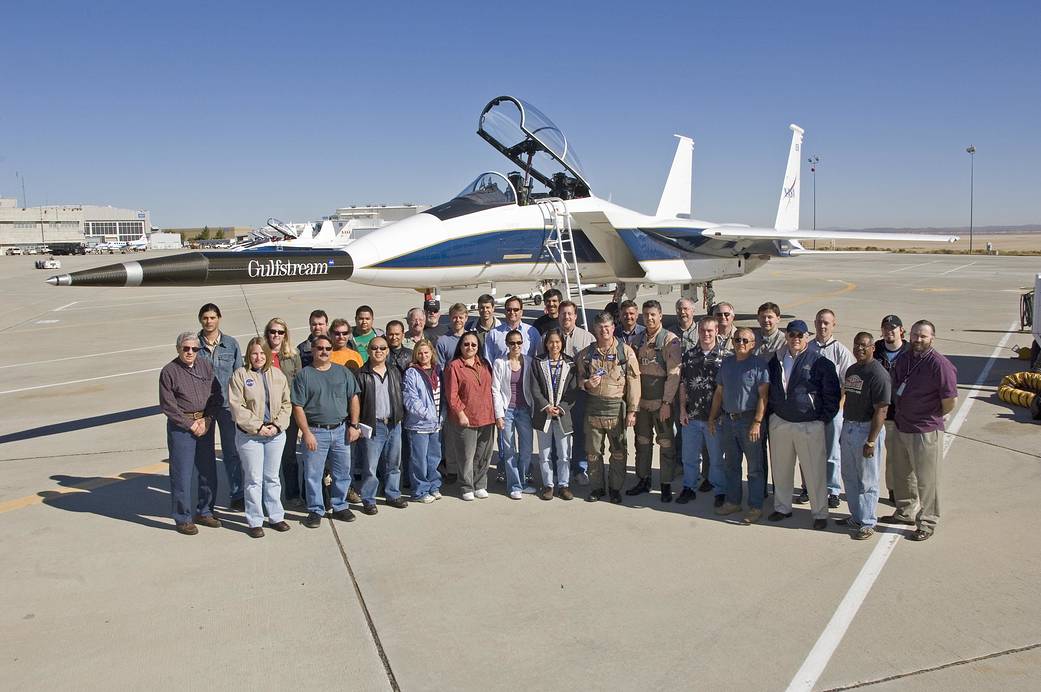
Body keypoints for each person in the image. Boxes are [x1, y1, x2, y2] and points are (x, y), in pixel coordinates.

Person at [881, 320, 958, 541]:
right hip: (902, 425)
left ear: (932, 338)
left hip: (925, 429)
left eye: (923, 336)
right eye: (915, 335)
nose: (918, 340)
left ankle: (927, 521)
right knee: (902, 474)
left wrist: (932, 416)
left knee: (927, 478)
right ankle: (905, 511)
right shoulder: (905, 359)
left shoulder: (939, 364)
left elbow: (950, 400)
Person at [766, 320, 841, 530]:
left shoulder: (820, 362)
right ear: (786, 336)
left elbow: (832, 395)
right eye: (792, 335)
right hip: (781, 422)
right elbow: (769, 389)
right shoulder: (777, 359)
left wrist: (821, 419)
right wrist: (772, 414)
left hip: (809, 425)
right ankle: (782, 508)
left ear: (807, 337)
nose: (795, 339)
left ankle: (819, 513)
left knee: (814, 472)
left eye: (800, 335)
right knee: (781, 469)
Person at [291, 334, 362, 528]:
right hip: (316, 432)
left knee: (342, 472)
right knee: (313, 475)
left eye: (327, 348)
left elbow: (354, 398)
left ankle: (340, 506)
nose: (324, 351)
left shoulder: (343, 373)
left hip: (341, 431)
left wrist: (354, 426)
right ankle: (315, 510)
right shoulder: (304, 375)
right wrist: (306, 432)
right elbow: (297, 406)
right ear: (313, 350)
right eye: (320, 348)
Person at [159, 332, 223, 535]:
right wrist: (190, 424)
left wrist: (207, 420)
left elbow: (217, 395)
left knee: (208, 472)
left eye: (194, 349)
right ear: (178, 348)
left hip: (205, 423)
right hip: (182, 428)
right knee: (181, 474)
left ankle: (205, 511)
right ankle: (183, 518)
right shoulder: (169, 371)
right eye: (186, 348)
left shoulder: (205, 366)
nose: (190, 352)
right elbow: (168, 406)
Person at [229, 337, 292, 538]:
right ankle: (255, 520)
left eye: (262, 353)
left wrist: (276, 425)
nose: (258, 357)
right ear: (249, 354)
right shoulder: (240, 375)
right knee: (253, 479)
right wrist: (258, 427)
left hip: (275, 435)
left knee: (272, 478)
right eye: (254, 353)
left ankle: (275, 516)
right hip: (251, 437)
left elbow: (286, 404)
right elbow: (237, 407)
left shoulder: (278, 375)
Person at [707, 327, 770, 523]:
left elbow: (763, 397)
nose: (740, 343)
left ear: (753, 345)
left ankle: (755, 506)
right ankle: (733, 501)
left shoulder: (759, 365)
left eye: (745, 340)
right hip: (728, 420)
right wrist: (712, 417)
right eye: (737, 340)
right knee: (731, 465)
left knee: (754, 468)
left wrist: (757, 423)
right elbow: (719, 393)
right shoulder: (726, 363)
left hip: (749, 421)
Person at [577, 312, 641, 503]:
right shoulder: (586, 354)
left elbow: (634, 381)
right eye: (600, 328)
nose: (604, 331)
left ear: (613, 327)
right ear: (595, 330)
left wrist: (632, 410)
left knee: (618, 451)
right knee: (593, 452)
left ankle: (615, 488)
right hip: (593, 407)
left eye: (607, 327)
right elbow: (579, 378)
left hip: (616, 407)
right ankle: (597, 488)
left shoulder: (626, 352)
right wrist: (587, 383)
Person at [837, 332, 891, 540]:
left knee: (867, 480)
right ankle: (856, 516)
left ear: (872, 348)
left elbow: (882, 410)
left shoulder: (878, 374)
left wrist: (871, 440)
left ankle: (868, 522)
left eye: (864, 346)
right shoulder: (852, 369)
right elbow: (847, 397)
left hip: (866, 429)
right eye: (857, 345)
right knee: (850, 476)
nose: (859, 349)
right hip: (849, 426)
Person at [627, 300, 682, 501]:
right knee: (642, 442)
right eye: (646, 315)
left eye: (653, 314)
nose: (649, 318)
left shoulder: (670, 340)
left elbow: (674, 373)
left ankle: (666, 483)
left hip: (661, 404)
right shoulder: (638, 340)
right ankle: (643, 479)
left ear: (660, 315)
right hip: (642, 403)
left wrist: (667, 403)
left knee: (666, 443)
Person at [806, 308, 856, 508]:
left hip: (833, 409)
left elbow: (847, 383)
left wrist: (838, 408)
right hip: (811, 410)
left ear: (833, 324)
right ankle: (808, 486)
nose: (822, 326)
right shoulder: (807, 348)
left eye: (826, 322)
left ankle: (833, 489)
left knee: (832, 451)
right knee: (810, 450)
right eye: (819, 322)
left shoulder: (840, 351)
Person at [196, 303, 244, 511]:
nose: (209, 321)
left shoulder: (231, 344)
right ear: (200, 320)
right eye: (205, 318)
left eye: (212, 317)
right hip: (203, 408)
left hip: (226, 406)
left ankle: (237, 493)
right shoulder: (193, 344)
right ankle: (207, 501)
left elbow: (239, 375)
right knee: (204, 455)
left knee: (231, 452)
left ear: (219, 318)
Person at [354, 336, 409, 514]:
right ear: (369, 351)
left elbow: (400, 395)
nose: (379, 351)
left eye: (382, 348)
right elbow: (356, 402)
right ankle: (368, 499)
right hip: (373, 425)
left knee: (394, 463)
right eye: (375, 348)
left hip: (393, 424)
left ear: (387, 351)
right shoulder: (362, 374)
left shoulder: (394, 371)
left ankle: (393, 494)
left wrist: (400, 416)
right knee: (370, 466)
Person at [677, 317, 726, 505]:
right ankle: (689, 487)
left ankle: (720, 491)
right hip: (692, 415)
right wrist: (682, 409)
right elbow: (683, 385)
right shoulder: (689, 355)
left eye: (710, 331)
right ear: (698, 332)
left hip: (715, 419)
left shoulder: (726, 356)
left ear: (716, 332)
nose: (706, 334)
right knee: (689, 457)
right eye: (703, 330)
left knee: (716, 459)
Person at [444, 332, 496, 501]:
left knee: (483, 454)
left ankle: (480, 484)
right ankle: (466, 485)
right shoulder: (454, 366)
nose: (470, 347)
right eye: (466, 344)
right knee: (466, 455)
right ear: (460, 346)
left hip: (487, 416)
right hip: (466, 418)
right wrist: (460, 413)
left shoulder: (485, 364)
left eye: (474, 345)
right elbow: (452, 394)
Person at [531, 329, 578, 500]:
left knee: (564, 453)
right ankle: (548, 485)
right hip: (544, 414)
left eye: (557, 342)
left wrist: (561, 407)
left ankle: (564, 485)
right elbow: (534, 387)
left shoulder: (571, 363)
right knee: (544, 454)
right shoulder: (538, 362)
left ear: (562, 343)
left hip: (562, 415)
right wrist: (546, 406)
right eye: (551, 342)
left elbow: (573, 390)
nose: (554, 345)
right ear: (546, 344)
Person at [492, 329, 536, 499]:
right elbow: (495, 390)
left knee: (526, 450)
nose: (516, 346)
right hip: (507, 410)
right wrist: (499, 415)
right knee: (510, 450)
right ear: (507, 344)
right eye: (512, 343)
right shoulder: (499, 363)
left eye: (519, 342)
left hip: (525, 410)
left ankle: (523, 482)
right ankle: (514, 486)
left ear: (522, 343)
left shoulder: (529, 361)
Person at [265, 318, 304, 508]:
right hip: (266, 412)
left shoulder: (292, 355)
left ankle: (292, 493)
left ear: (285, 335)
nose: (276, 335)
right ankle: (267, 496)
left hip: (287, 412)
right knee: (267, 458)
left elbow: (298, 384)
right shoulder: (260, 353)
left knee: (289, 455)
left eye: (280, 332)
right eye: (273, 331)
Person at [873, 314, 910, 503]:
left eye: (893, 328)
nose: (889, 332)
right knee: (871, 454)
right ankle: (869, 489)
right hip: (876, 412)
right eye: (886, 328)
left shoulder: (910, 351)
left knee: (895, 457)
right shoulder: (876, 349)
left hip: (898, 414)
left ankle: (894, 489)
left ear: (901, 331)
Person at [402, 339, 444, 503]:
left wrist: (441, 416)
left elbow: (444, 395)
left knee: (434, 457)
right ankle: (420, 491)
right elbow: (410, 398)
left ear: (432, 353)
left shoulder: (438, 370)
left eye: (426, 352)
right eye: (420, 353)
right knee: (419, 460)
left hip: (436, 424)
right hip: (418, 425)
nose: (423, 355)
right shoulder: (412, 372)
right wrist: (427, 414)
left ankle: (434, 486)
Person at [558, 300, 594, 485]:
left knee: (580, 431)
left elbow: (595, 365)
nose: (566, 317)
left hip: (579, 392)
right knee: (559, 431)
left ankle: (580, 468)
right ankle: (559, 469)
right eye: (563, 313)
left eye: (570, 313)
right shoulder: (550, 336)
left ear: (575, 316)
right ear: (558, 315)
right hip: (557, 393)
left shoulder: (587, 338)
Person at [486, 295, 542, 362]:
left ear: (521, 312)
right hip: (501, 371)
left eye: (515, 310)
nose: (512, 312)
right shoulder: (493, 334)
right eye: (509, 310)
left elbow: (539, 357)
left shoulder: (533, 332)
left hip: (527, 371)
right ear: (505, 312)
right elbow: (488, 360)